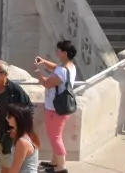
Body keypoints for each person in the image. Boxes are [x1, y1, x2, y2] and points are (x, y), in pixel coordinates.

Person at [0, 61, 38, 171]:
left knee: (6, 166)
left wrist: (17, 128)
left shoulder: (16, 91)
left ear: (4, 74)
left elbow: (29, 110)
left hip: (8, 137)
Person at [34, 41, 77, 173]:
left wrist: (37, 70)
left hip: (55, 109)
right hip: (58, 108)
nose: (56, 51)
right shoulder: (69, 66)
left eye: (59, 50)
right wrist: (44, 62)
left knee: (55, 137)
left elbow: (47, 83)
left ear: (64, 53)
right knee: (55, 136)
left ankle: (61, 167)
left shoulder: (62, 72)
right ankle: (54, 162)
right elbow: (56, 68)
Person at [1, 104, 40, 173]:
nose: (6, 118)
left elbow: (14, 170)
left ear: (18, 118)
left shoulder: (22, 142)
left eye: (9, 116)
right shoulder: (29, 135)